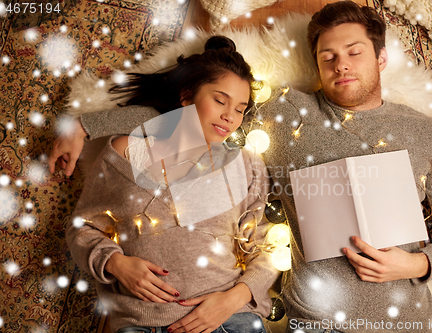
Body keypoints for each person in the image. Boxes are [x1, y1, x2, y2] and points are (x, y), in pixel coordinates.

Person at [52, 2, 432, 333]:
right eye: (328, 56)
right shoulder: (285, 114)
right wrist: (87, 125)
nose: (341, 65)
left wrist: (416, 265)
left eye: (354, 52)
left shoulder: (423, 132)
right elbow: (196, 117)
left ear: (381, 58)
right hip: (313, 317)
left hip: (400, 319)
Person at [65, 36, 279, 333]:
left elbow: (269, 247)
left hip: (229, 321)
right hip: (142, 322)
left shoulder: (247, 165)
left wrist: (233, 299)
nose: (230, 117)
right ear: (187, 96)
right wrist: (115, 263)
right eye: (220, 100)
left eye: (240, 109)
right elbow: (82, 226)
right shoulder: (126, 152)